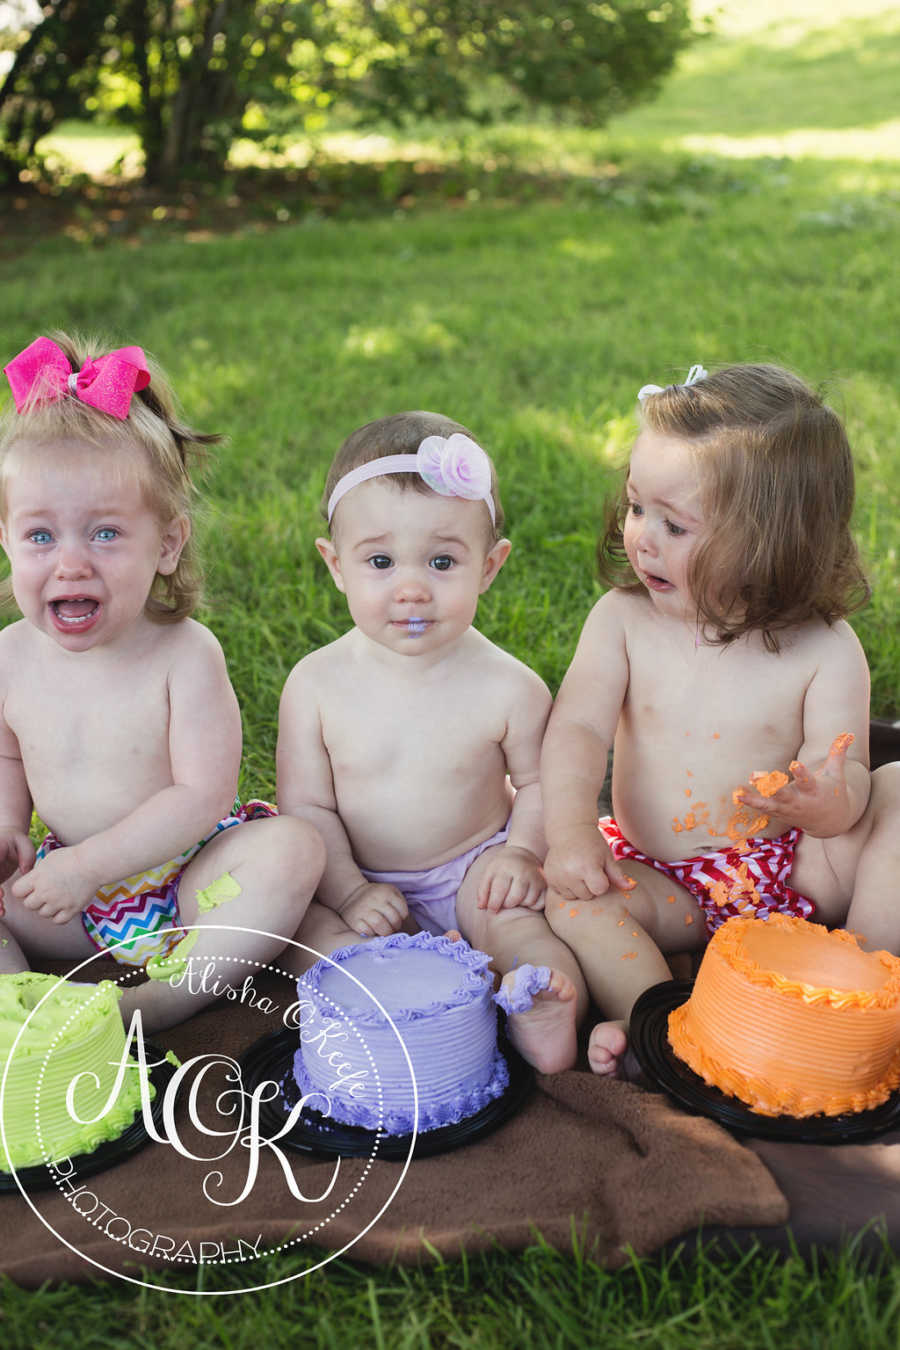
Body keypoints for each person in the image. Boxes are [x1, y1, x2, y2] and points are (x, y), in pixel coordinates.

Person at [540, 362, 900, 1075]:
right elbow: (576, 731)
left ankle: (860, 979)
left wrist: (829, 803)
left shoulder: (824, 648)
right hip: (667, 881)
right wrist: (573, 835)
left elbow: (847, 773)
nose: (641, 537)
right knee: (569, 901)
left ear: (773, 543)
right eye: (637, 507)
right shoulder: (622, 622)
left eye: (675, 524)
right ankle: (665, 1023)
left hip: (795, 870)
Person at [0, 333, 324, 1032]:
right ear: (5, 538)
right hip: (69, 899)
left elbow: (201, 795)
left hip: (194, 880)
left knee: (292, 850)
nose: (72, 564)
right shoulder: (10, 657)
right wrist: (6, 827)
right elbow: (6, 758)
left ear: (167, 546)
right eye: (40, 536)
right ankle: (18, 1013)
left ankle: (156, 1003)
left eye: (106, 534)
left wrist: (89, 866)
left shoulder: (184, 654)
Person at [277, 411, 586, 1071]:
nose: (411, 588)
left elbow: (540, 785)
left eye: (442, 561)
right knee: (307, 935)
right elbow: (307, 809)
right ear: (335, 565)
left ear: (490, 567)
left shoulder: (509, 686)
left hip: (470, 867)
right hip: (352, 878)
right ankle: (369, 1015)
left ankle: (542, 1002)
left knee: (520, 923)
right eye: (381, 561)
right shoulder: (316, 685)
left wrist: (523, 854)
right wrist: (351, 891)